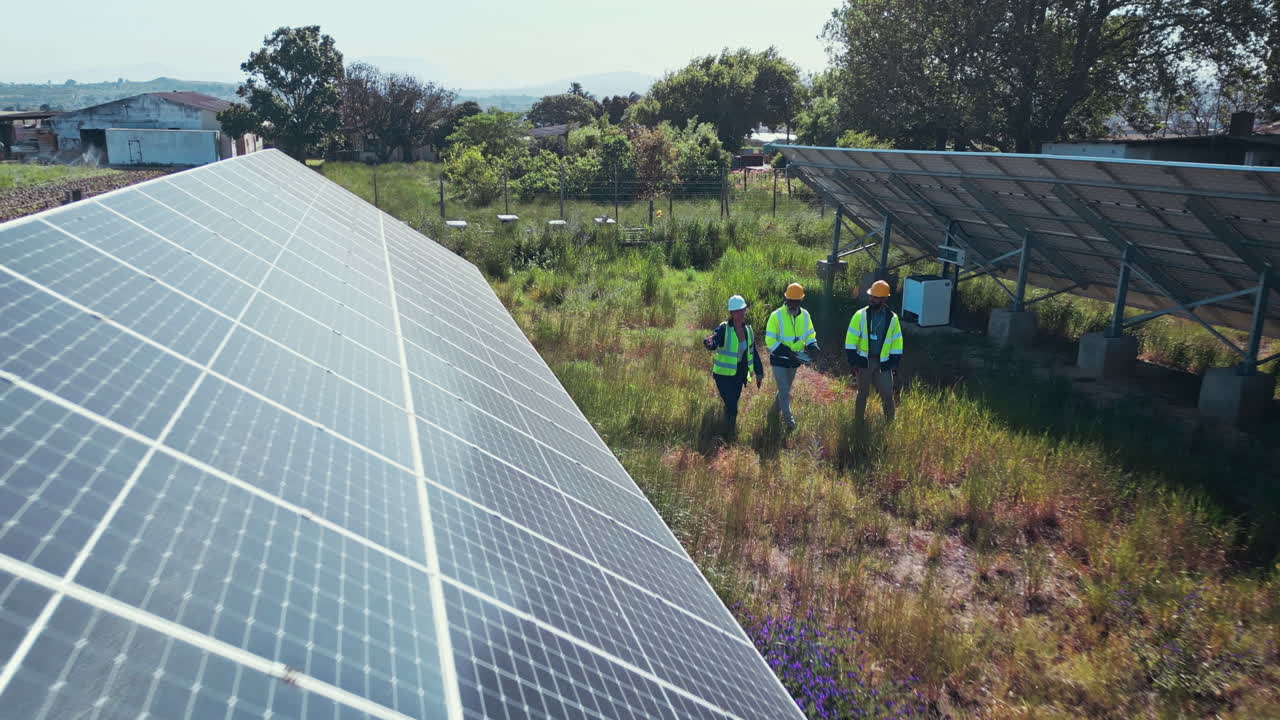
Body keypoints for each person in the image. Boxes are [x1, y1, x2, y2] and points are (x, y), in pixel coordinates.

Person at [703, 294, 764, 435]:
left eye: (743, 310)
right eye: (737, 311)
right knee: (732, 407)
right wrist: (709, 343)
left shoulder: (748, 330)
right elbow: (714, 340)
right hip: (723, 375)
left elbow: (753, 352)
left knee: (732, 404)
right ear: (731, 313)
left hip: (739, 374)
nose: (741, 313)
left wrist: (759, 373)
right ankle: (729, 434)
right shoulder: (724, 329)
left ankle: (727, 425)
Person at [846, 280, 904, 424]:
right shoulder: (860, 315)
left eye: (876, 297)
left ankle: (890, 423)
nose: (871, 299)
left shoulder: (892, 318)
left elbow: (897, 342)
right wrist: (854, 362)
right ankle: (858, 421)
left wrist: (893, 363)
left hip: (883, 362)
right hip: (864, 361)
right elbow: (850, 340)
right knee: (862, 394)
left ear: (884, 299)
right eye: (871, 296)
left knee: (887, 394)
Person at [765, 283, 819, 429]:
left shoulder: (806, 315)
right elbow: (770, 341)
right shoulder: (776, 316)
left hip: (795, 361)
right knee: (784, 390)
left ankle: (773, 413)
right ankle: (790, 423)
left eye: (796, 301)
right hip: (779, 360)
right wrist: (788, 352)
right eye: (790, 301)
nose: (793, 304)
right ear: (786, 298)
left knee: (785, 390)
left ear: (801, 301)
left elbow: (810, 335)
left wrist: (813, 346)